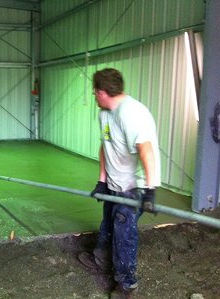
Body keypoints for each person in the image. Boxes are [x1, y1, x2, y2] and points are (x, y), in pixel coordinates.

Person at [77, 68, 161, 299]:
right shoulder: (104, 113)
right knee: (108, 224)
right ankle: (101, 261)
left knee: (124, 233)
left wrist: (150, 191)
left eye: (95, 92)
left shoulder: (132, 114)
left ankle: (127, 285)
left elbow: (147, 152)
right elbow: (106, 146)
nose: (94, 96)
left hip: (134, 188)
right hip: (114, 183)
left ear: (103, 92)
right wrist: (102, 181)